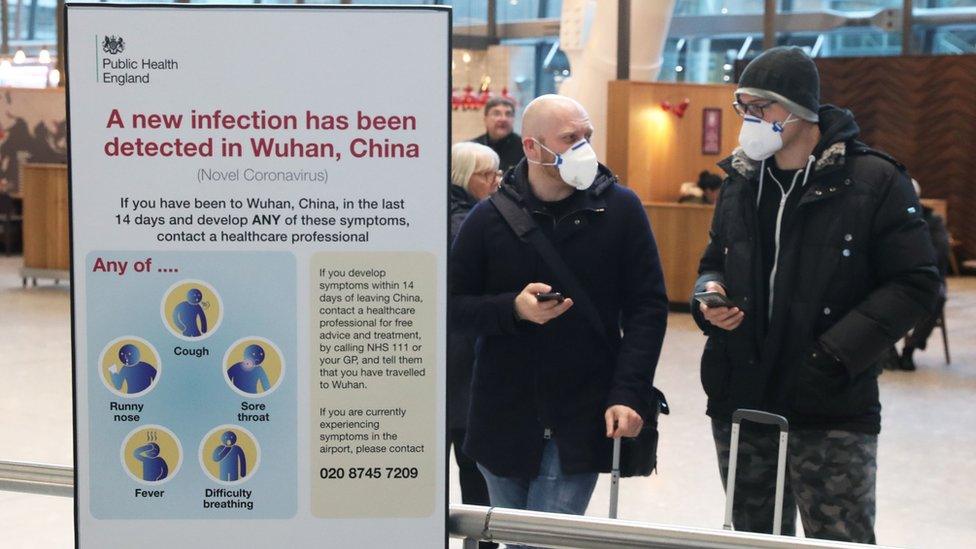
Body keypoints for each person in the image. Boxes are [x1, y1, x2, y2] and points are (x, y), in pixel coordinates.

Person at [692, 46, 940, 543]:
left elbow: (916, 284)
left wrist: (833, 355)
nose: (749, 119)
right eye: (743, 106)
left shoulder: (873, 180)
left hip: (829, 401)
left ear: (800, 110)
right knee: (753, 536)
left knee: (839, 536)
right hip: (743, 391)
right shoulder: (741, 180)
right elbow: (714, 260)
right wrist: (709, 294)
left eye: (760, 107)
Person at [451, 94, 668, 541]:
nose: (583, 148)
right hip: (502, 415)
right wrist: (512, 308)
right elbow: (451, 304)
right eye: (569, 139)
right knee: (515, 535)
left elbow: (647, 306)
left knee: (546, 540)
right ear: (532, 148)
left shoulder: (622, 211)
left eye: (587, 136)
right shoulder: (487, 219)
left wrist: (628, 391)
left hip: (583, 411)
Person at [448, 141, 501, 549]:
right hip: (460, 360)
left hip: (458, 360)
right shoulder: (468, 222)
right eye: (486, 174)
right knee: (474, 463)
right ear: (462, 177)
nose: (495, 181)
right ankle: (481, 543)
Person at [897, 179, 951, 371]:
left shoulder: (933, 220)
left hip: (927, 277)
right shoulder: (888, 217)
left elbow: (940, 252)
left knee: (937, 297)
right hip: (894, 277)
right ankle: (884, 351)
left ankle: (910, 348)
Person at [471, 97, 524, 173]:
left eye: (508, 114)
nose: (503, 119)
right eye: (497, 114)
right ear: (485, 119)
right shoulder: (474, 148)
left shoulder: (524, 148)